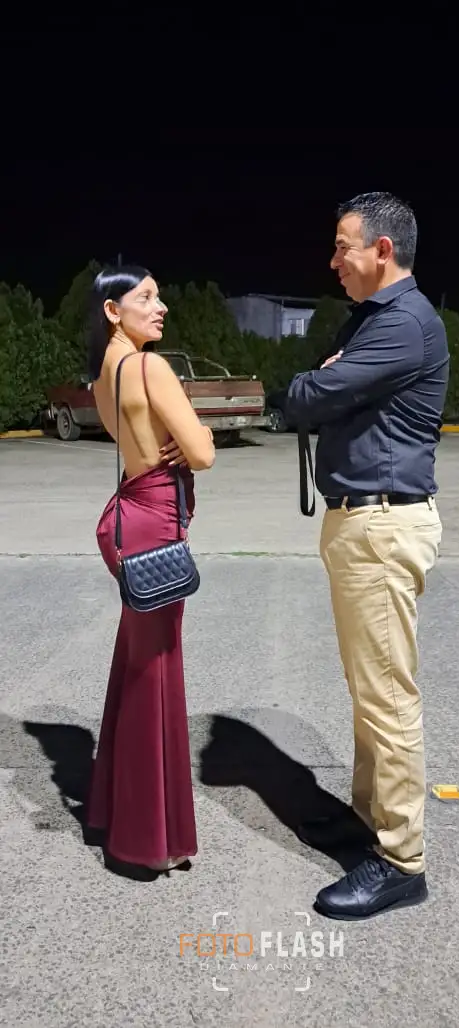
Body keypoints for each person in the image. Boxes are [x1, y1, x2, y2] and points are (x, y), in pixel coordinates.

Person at [285, 192, 449, 920]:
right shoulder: (377, 320)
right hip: (364, 523)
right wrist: (324, 381)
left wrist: (316, 381)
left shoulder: (402, 324)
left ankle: (401, 861)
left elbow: (308, 396)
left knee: (387, 698)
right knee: (369, 691)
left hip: (381, 527)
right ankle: (367, 821)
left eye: (342, 246)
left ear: (382, 250)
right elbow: (325, 392)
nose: (333, 261)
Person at [84, 265, 215, 880]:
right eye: (146, 297)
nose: (160, 307)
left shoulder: (102, 375)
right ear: (113, 310)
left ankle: (117, 814)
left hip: (128, 517)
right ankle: (148, 840)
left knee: (135, 668)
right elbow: (203, 453)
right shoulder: (148, 367)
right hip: (156, 524)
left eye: (159, 296)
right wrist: (199, 431)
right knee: (155, 676)